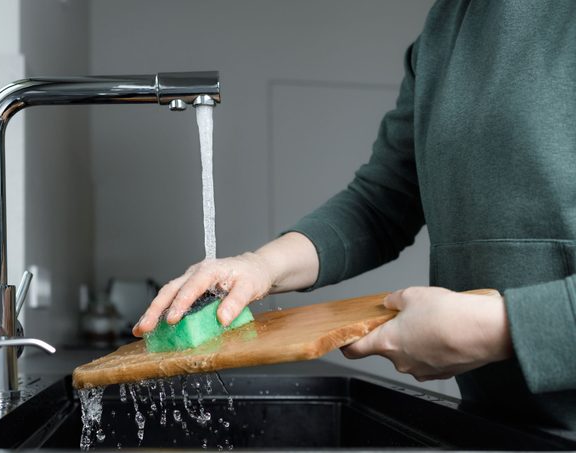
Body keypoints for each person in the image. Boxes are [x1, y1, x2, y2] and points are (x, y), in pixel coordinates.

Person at [134, 0, 576, 429]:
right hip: (497, 424)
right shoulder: (445, 28)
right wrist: (260, 266)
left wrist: (499, 328)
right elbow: (382, 203)